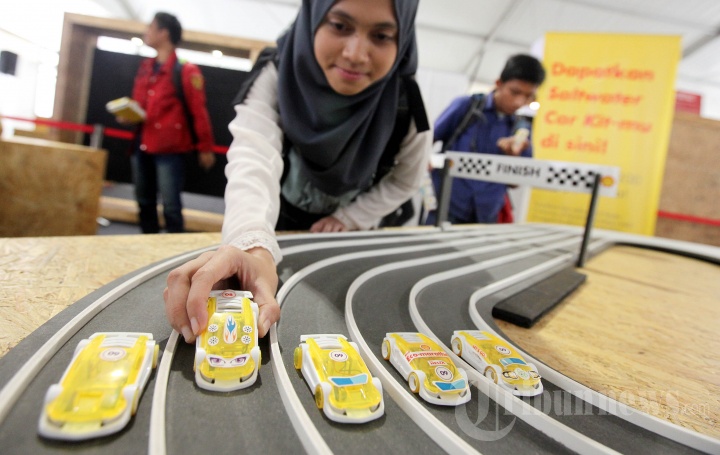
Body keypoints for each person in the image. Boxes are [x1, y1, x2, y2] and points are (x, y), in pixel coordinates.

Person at [163, 0, 430, 342]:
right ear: (314, 19)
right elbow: (254, 155)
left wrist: (351, 217)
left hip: (351, 233)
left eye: (380, 36)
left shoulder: (406, 101)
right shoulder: (278, 72)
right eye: (340, 26)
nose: (355, 54)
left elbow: (406, 179)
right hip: (280, 217)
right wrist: (252, 247)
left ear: (402, 39)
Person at [122, 12, 216, 234]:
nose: (146, 32)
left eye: (150, 27)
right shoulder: (146, 67)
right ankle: (148, 244)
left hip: (170, 149)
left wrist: (205, 147)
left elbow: (199, 111)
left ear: (164, 33)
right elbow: (139, 103)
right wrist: (128, 114)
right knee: (144, 201)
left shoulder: (186, 69)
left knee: (171, 206)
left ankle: (174, 250)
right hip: (142, 144)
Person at [425, 54, 545, 225]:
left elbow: (515, 183)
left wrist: (513, 157)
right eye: (515, 92)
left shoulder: (522, 129)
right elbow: (426, 141)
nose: (519, 102)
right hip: (445, 207)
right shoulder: (466, 107)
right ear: (499, 83)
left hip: (487, 214)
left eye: (528, 96)